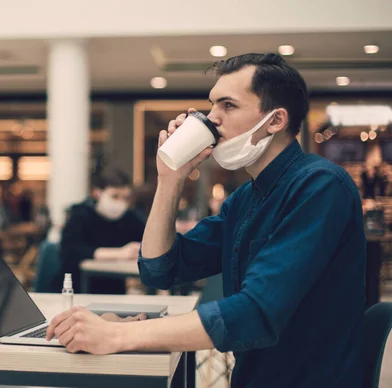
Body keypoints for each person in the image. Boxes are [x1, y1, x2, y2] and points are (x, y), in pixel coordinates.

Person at [46, 53, 365, 387]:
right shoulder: (245, 199)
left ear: (275, 120)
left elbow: (254, 313)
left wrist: (120, 335)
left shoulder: (320, 186)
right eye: (211, 106)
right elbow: (159, 269)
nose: (211, 120)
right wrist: (169, 180)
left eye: (227, 106)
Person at [52, 168, 145, 294]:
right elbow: (70, 252)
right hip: (77, 288)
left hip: (114, 290)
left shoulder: (129, 218)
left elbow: (146, 239)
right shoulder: (80, 214)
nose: (120, 203)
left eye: (125, 198)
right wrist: (119, 253)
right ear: (97, 193)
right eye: (115, 196)